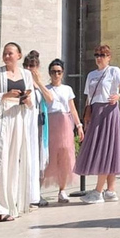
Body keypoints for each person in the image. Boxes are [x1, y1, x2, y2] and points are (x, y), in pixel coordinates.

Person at [0, 42, 35, 221]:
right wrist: (5, 95)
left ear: (19, 55)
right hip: (0, 120)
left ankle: (10, 206)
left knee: (12, 163)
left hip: (18, 119)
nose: (7, 56)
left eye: (10, 53)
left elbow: (32, 100)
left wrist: (27, 101)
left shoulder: (26, 74)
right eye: (5, 53)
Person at [74, 44, 120, 204]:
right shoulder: (91, 75)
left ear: (109, 57)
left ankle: (98, 191)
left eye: (102, 55)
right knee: (104, 148)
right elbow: (88, 98)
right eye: (97, 55)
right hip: (95, 111)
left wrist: (118, 96)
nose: (99, 58)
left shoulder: (114, 71)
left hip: (109, 111)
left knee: (106, 148)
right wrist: (86, 117)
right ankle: (110, 190)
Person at [42, 59, 83, 203]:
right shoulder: (45, 89)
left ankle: (62, 190)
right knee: (47, 157)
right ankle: (38, 191)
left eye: (59, 72)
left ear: (63, 73)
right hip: (50, 123)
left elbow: (72, 109)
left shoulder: (67, 89)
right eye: (53, 72)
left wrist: (79, 125)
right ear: (49, 73)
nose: (56, 74)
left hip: (65, 123)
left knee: (65, 157)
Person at [22, 50, 52, 209]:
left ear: (37, 67)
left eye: (32, 65)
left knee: (37, 160)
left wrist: (39, 83)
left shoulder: (39, 84)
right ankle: (23, 194)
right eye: (26, 65)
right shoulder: (22, 81)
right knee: (26, 159)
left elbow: (50, 99)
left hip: (39, 127)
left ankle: (35, 193)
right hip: (26, 125)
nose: (29, 68)